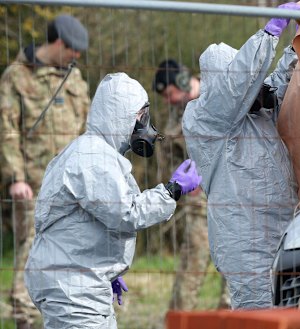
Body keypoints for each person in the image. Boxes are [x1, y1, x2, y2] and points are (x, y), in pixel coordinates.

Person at [23, 72, 201, 328]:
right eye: (141, 117)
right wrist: (172, 190)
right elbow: (127, 213)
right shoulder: (93, 157)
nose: (145, 125)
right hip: (72, 285)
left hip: (83, 279)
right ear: (120, 114)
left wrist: (107, 266)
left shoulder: (97, 154)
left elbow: (87, 221)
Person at [182, 2, 300, 309]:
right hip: (246, 244)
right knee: (259, 317)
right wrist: (268, 34)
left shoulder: (253, 111)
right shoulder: (205, 117)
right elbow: (237, 85)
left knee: (291, 311)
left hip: (280, 230)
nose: (253, 90)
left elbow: (275, 85)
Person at [0, 14, 91, 329]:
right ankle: (23, 318)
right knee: (32, 248)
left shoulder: (74, 79)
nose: (76, 57)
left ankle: (63, 315)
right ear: (58, 43)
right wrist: (16, 177)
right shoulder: (17, 76)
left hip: (71, 184)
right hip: (34, 183)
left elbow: (86, 128)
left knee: (71, 249)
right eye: (73, 50)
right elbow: (7, 130)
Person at [153, 60, 230, 309]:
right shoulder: (176, 115)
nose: (168, 100)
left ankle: (231, 318)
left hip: (234, 192)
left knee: (236, 261)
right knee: (193, 260)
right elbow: (169, 157)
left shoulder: (218, 91)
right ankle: (178, 320)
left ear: (183, 82)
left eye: (169, 93)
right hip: (200, 200)